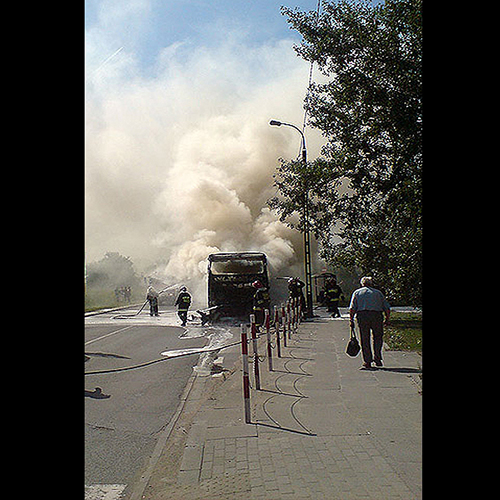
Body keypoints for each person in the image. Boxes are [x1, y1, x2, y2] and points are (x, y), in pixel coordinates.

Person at [349, 276, 390, 369]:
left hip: (363, 316)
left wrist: (351, 319)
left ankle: (367, 361)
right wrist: (387, 319)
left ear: (362, 284)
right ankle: (377, 358)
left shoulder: (357, 293)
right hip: (376, 316)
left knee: (365, 339)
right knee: (378, 337)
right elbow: (387, 308)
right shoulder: (378, 293)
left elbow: (352, 308)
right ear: (371, 283)